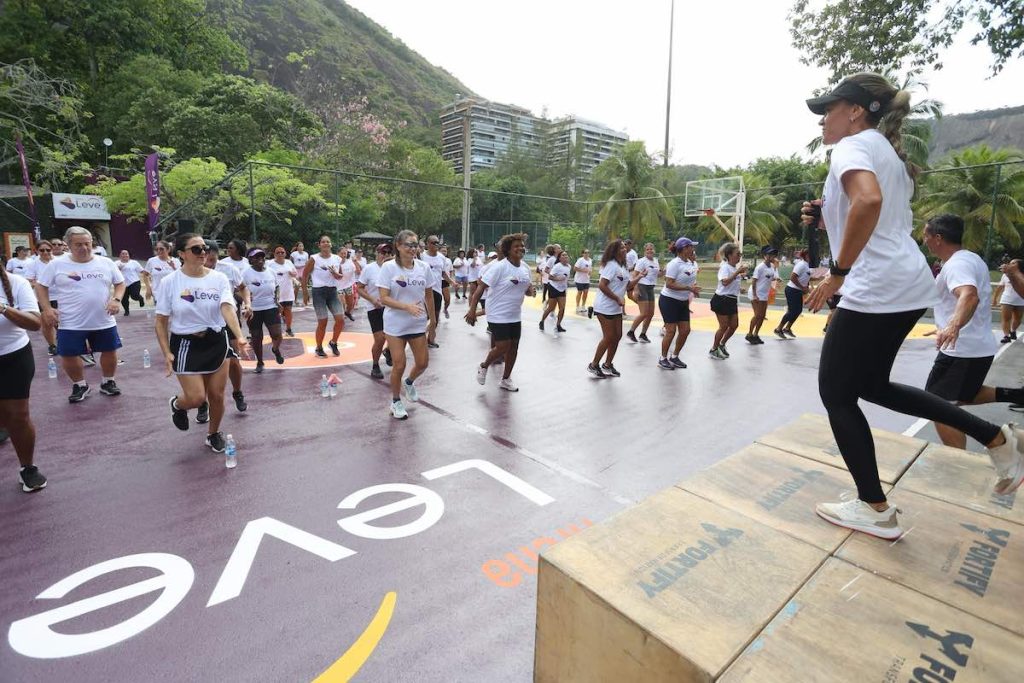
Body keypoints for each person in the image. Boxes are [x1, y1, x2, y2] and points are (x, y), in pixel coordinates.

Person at [801, 73, 1024, 539]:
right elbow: (876, 215)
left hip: (876, 285)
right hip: (904, 282)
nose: (823, 119)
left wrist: (838, 272)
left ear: (855, 111)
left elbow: (868, 201)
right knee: (872, 386)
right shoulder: (888, 153)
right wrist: (826, 217)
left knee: (836, 394)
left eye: (829, 109)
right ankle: (997, 438)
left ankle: (875, 508)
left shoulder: (850, 147)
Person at [921, 215, 1024, 447]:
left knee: (936, 405)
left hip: (963, 350)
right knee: (963, 396)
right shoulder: (969, 258)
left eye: (926, 235)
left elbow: (969, 296)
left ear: (938, 238)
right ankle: (1015, 395)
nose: (924, 240)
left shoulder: (957, 265)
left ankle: (960, 459)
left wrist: (953, 326)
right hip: (973, 347)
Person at [156, 233, 249, 453]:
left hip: (216, 340)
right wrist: (166, 352)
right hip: (185, 343)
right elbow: (161, 321)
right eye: (196, 249)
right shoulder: (170, 282)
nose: (203, 253)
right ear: (182, 254)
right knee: (196, 398)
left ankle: (213, 434)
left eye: (204, 248)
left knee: (216, 395)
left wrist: (239, 335)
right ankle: (177, 404)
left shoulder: (218, 279)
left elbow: (227, 307)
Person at [37, 226, 126, 403]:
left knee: (109, 351)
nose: (84, 248)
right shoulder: (56, 264)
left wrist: (116, 300)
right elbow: (41, 286)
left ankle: (108, 381)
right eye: (79, 245)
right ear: (68, 245)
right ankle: (80, 385)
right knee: (69, 354)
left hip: (103, 319)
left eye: (87, 243)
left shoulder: (106, 262)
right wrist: (47, 308)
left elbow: (120, 283)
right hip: (71, 321)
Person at [377, 230, 435, 419]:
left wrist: (433, 320)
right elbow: (383, 298)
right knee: (399, 364)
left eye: (415, 245)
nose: (413, 248)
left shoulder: (424, 267)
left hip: (417, 323)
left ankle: (409, 382)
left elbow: (429, 295)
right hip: (395, 324)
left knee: (423, 363)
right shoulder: (389, 268)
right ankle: (395, 402)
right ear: (398, 246)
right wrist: (406, 307)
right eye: (409, 245)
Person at [466, 233, 534, 391]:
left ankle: (506, 379)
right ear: (508, 250)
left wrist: (531, 292)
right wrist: (472, 310)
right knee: (503, 346)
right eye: (516, 246)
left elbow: (527, 289)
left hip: (514, 314)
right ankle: (484, 366)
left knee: (514, 347)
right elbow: (480, 288)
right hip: (497, 313)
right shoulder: (499, 267)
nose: (520, 248)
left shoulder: (525, 268)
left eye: (522, 246)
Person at [0, 263, 46, 491]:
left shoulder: (16, 283)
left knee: (18, 416)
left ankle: (28, 468)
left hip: (13, 356)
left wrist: (3, 308)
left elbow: (35, 323)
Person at [205, 241, 249, 412]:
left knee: (233, 361)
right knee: (205, 364)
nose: (209, 263)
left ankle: (237, 392)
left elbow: (243, 288)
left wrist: (248, 304)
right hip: (205, 321)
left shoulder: (228, 270)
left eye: (212, 259)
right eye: (206, 259)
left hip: (228, 318)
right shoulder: (191, 272)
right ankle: (202, 403)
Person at [588, 239, 642, 378]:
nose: (624, 249)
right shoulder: (611, 265)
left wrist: (639, 277)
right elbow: (602, 285)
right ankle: (594, 365)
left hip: (615, 307)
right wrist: (617, 298)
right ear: (615, 251)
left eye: (625, 247)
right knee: (609, 337)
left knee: (617, 336)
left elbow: (627, 285)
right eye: (621, 248)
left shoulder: (623, 266)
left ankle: (608, 364)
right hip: (604, 306)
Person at [658, 237, 701, 369]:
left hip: (683, 301)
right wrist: (689, 289)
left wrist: (694, 289)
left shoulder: (691, 263)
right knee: (671, 331)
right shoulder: (674, 264)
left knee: (685, 330)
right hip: (669, 300)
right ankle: (663, 358)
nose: (692, 249)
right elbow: (669, 284)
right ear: (683, 249)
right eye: (690, 246)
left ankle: (675, 356)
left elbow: (690, 281)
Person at [303, 236, 345, 358]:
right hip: (319, 292)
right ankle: (319, 347)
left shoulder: (337, 258)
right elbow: (305, 275)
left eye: (328, 241)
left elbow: (340, 276)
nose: (326, 243)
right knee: (323, 321)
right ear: (319, 245)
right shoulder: (314, 258)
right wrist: (305, 292)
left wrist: (336, 274)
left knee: (340, 319)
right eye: (323, 242)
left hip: (332, 291)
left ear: (331, 244)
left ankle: (333, 342)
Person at [243, 248, 284, 373]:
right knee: (256, 336)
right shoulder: (245, 273)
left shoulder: (271, 271)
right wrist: (246, 302)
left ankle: (275, 349)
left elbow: (277, 287)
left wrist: (277, 300)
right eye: (257, 257)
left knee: (277, 334)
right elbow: (239, 289)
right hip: (254, 309)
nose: (260, 259)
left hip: (270, 306)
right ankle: (260, 362)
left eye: (262, 257)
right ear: (251, 260)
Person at [358, 243, 394, 379]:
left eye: (389, 253)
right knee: (380, 339)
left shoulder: (395, 268)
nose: (386, 255)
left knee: (396, 337)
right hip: (375, 308)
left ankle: (388, 351)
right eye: (383, 252)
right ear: (377, 253)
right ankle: (375, 365)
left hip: (391, 307)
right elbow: (359, 287)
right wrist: (372, 300)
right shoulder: (369, 269)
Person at [709, 243, 747, 360]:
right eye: (737, 254)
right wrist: (737, 272)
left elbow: (731, 283)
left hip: (731, 300)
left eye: (740, 254)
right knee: (724, 326)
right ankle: (714, 349)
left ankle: (722, 344)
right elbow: (724, 282)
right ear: (729, 255)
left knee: (734, 325)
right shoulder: (725, 267)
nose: (739, 256)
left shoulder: (733, 268)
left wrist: (739, 289)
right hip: (722, 299)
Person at [24, 240, 58, 355]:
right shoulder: (33, 264)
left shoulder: (58, 262)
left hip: (60, 296)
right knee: (48, 323)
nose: (45, 252)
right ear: (37, 251)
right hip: (43, 298)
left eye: (48, 250)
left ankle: (66, 342)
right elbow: (29, 281)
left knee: (63, 322)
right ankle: (52, 345)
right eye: (42, 250)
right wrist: (42, 284)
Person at [626, 243, 660, 343]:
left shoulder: (655, 261)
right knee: (644, 313)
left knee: (650, 313)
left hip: (651, 287)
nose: (650, 251)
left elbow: (657, 274)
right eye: (647, 249)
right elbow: (634, 275)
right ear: (644, 251)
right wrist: (636, 289)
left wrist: (664, 272)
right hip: (642, 286)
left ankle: (643, 334)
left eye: (651, 249)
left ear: (654, 250)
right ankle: (631, 332)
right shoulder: (641, 261)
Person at [775, 248, 811, 339]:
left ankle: (787, 328)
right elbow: (793, 277)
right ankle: (778, 329)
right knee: (792, 311)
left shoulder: (807, 265)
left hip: (798, 291)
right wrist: (802, 287)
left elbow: (805, 277)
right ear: (807, 255)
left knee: (798, 311)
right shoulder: (801, 265)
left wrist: (807, 285)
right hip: (792, 290)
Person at [420, 236, 447, 348]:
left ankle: (430, 340)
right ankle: (418, 338)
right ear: (428, 244)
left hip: (437, 290)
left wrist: (452, 282)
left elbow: (443, 273)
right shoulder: (422, 256)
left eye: (437, 242)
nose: (436, 244)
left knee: (435, 318)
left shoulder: (441, 257)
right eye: (433, 242)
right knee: (425, 317)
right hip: (424, 291)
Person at [268, 246, 299, 336]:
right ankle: (277, 331)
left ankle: (288, 329)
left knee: (288, 310)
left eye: (282, 252)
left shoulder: (289, 262)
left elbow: (295, 273)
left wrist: (293, 274)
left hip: (288, 292)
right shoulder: (269, 264)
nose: (280, 254)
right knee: (278, 312)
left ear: (285, 254)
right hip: (276, 292)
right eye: (278, 252)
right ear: (274, 254)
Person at [539, 251, 570, 335]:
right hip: (553, 288)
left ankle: (558, 325)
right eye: (563, 255)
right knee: (551, 308)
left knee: (562, 308)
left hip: (562, 289)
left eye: (566, 255)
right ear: (559, 258)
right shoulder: (557, 266)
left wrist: (566, 284)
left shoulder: (569, 266)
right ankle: (542, 321)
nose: (565, 256)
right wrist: (558, 279)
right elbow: (550, 277)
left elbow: (566, 278)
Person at [996, 260, 1023, 343]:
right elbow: (1000, 287)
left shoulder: (1022, 274)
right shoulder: (1005, 274)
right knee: (1006, 318)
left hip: (1021, 300)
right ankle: (1006, 336)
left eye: (1014, 263)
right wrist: (994, 299)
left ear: (1019, 265)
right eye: (1010, 263)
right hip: (1007, 299)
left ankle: (1013, 330)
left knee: (1018, 319)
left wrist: (1015, 274)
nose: (1010, 264)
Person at [116, 250, 146, 315]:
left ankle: (140, 298)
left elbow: (142, 271)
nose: (125, 255)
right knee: (124, 298)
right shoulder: (116, 263)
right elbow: (112, 272)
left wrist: (147, 275)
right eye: (123, 254)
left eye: (126, 254)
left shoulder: (134, 262)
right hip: (122, 284)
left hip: (134, 282)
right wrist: (118, 269)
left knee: (134, 296)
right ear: (120, 255)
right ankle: (126, 311)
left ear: (129, 255)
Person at [336, 246, 357, 321]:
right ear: (338, 254)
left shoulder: (350, 262)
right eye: (341, 253)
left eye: (345, 253)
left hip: (348, 285)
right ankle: (341, 316)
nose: (343, 255)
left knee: (351, 304)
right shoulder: (335, 263)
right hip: (338, 286)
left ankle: (347, 313)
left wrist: (355, 261)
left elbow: (355, 271)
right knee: (342, 302)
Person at [573, 249, 593, 313]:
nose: (587, 254)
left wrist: (590, 272)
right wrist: (583, 270)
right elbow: (575, 268)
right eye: (585, 252)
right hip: (579, 279)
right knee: (580, 292)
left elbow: (590, 268)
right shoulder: (580, 260)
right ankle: (577, 306)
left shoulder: (590, 260)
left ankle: (583, 306)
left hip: (586, 279)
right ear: (582, 254)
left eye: (588, 252)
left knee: (586, 293)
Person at [290, 242, 310, 306]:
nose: (301, 247)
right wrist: (292, 269)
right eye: (300, 246)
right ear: (297, 247)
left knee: (304, 286)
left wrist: (307, 270)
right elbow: (290, 262)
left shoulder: (306, 254)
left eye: (302, 246)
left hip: (303, 270)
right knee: (297, 286)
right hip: (296, 270)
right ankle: (295, 301)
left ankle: (306, 301)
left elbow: (307, 262)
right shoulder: (293, 254)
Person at [440, 245, 454, 319]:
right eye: (442, 251)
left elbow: (451, 270)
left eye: (445, 251)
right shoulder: (437, 259)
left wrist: (451, 279)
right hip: (437, 281)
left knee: (447, 299)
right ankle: (436, 314)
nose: (444, 252)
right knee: (437, 300)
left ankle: (445, 309)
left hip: (445, 281)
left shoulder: (448, 260)